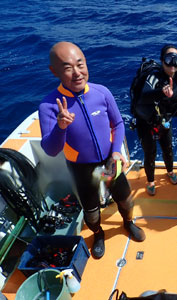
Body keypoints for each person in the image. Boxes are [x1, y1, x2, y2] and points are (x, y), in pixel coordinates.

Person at [39, 41, 146, 259]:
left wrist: (116, 152)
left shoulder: (101, 93)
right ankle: (98, 235)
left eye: (80, 64)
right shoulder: (49, 106)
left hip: (108, 161)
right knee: (91, 211)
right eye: (68, 68)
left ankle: (127, 223)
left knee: (124, 199)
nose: (77, 73)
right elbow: (51, 149)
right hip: (82, 169)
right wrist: (60, 127)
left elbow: (117, 124)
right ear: (54, 71)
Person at [134, 44, 177, 196]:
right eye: (169, 59)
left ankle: (170, 171)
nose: (173, 64)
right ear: (162, 61)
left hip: (165, 121)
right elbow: (144, 96)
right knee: (150, 153)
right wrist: (160, 93)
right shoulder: (154, 77)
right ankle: (151, 181)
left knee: (168, 149)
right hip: (146, 123)